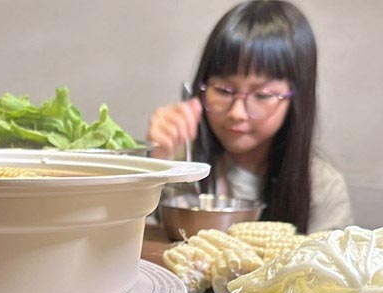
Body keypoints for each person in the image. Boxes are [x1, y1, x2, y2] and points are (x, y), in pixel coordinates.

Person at [148, 0, 352, 234]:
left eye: (262, 95)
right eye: (223, 90)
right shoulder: (182, 164)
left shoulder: (322, 188)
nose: (237, 113)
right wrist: (153, 166)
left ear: (296, 99)